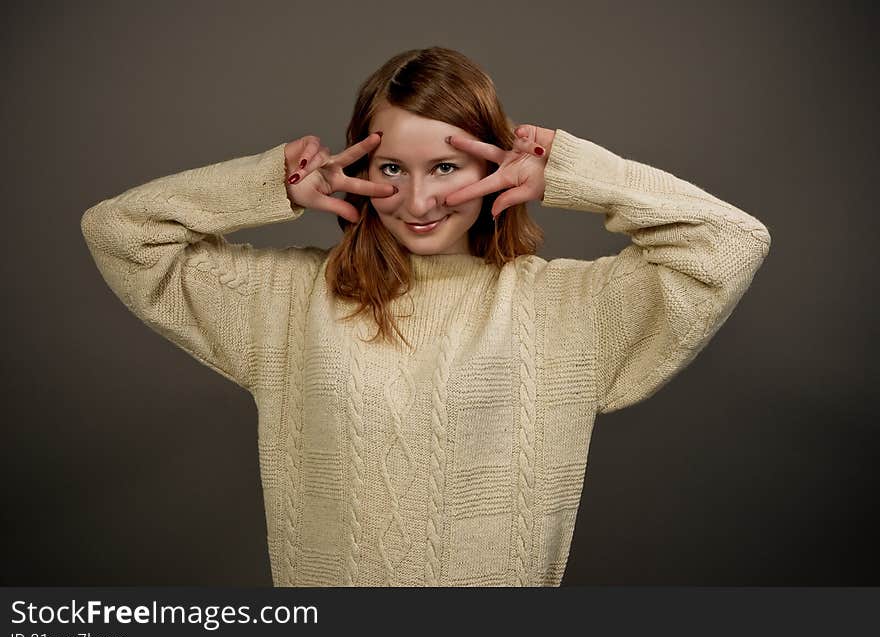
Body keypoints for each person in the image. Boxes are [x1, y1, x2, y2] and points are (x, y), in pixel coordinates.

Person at [80, 46, 771, 587]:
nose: (417, 200)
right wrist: (270, 186)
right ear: (357, 165)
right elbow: (119, 232)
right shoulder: (288, 303)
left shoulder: (569, 311)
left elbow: (730, 242)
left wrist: (568, 174)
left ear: (497, 161)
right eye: (390, 169)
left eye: (445, 167)